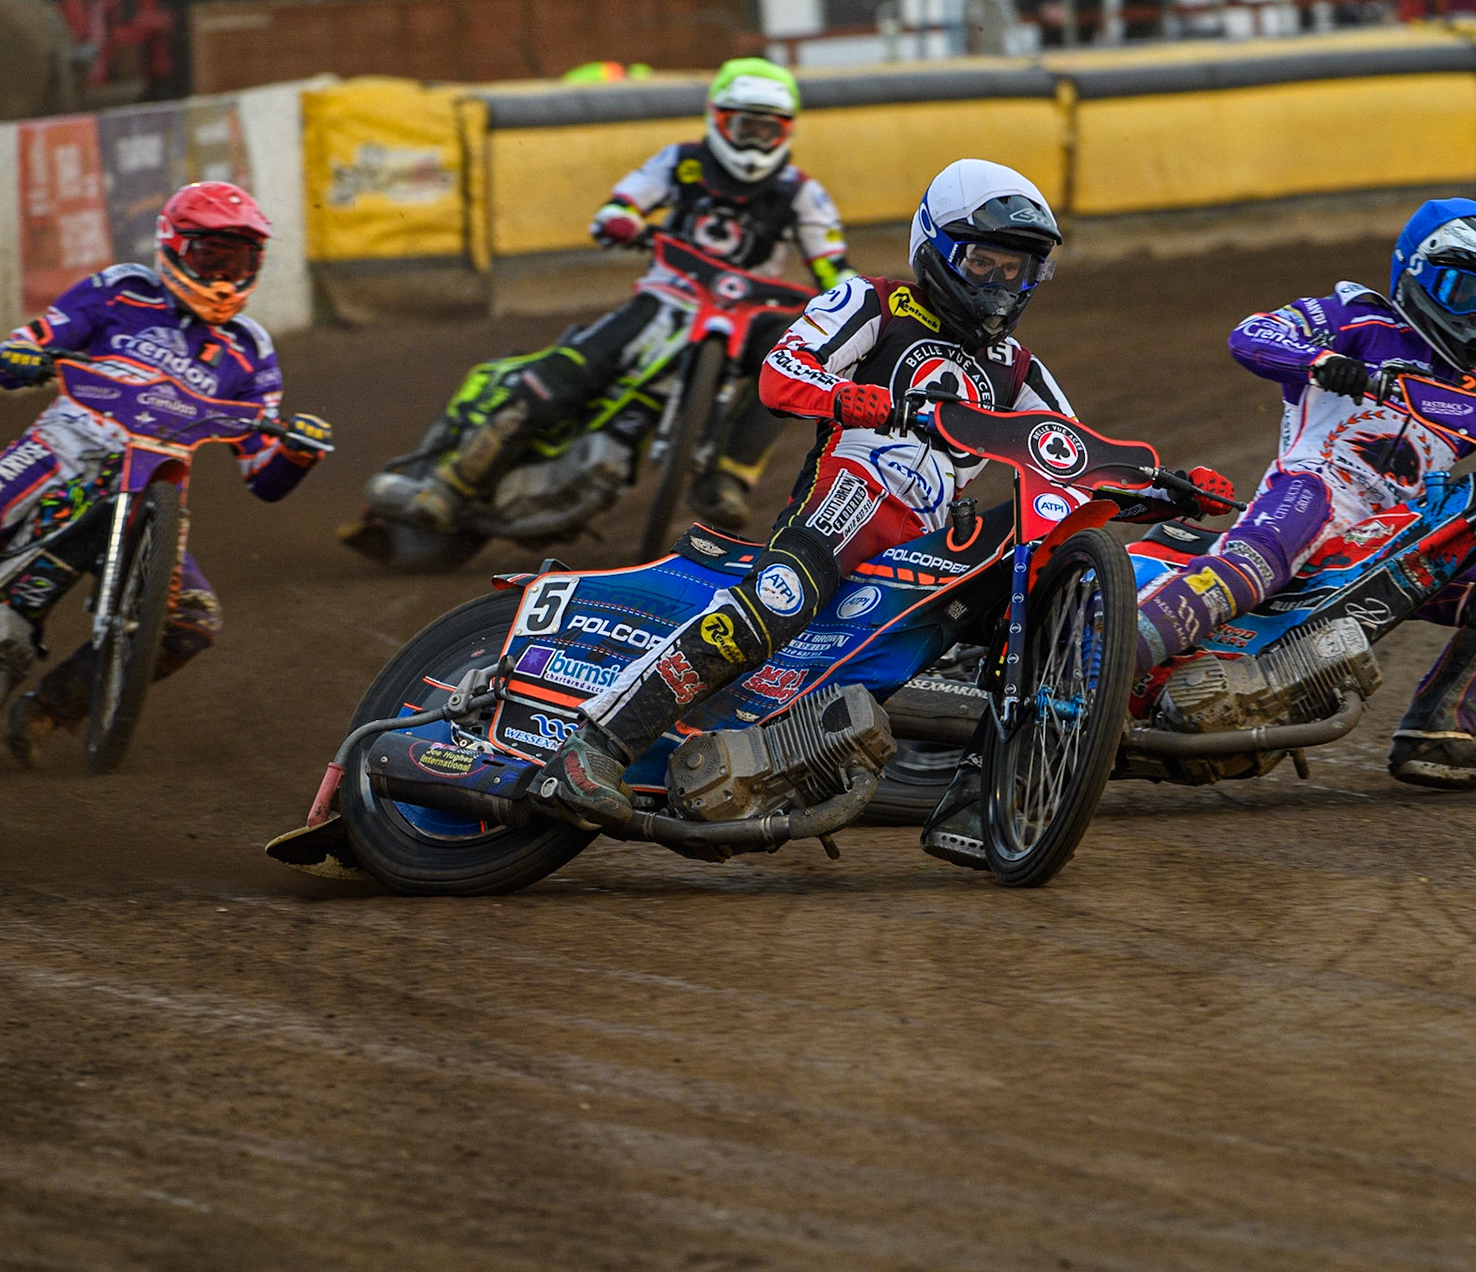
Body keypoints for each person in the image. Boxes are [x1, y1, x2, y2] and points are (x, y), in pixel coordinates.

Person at [528, 158, 1236, 839]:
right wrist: (845, 397)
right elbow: (780, 372)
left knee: (1031, 595)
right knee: (778, 599)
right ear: (937, 248)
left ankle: (982, 794)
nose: (997, 283)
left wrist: (1168, 491)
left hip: (928, 544)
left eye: (1014, 269)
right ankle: (593, 747)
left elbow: (1074, 459)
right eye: (982, 262)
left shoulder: (1017, 367)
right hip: (845, 501)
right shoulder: (872, 301)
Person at [1133, 197, 1476, 788]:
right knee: (1274, 543)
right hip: (1317, 488)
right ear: (1417, 274)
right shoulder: (1359, 320)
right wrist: (1323, 363)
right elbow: (1252, 334)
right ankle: (1113, 658)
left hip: (1393, 536)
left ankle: (1444, 733)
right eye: (1467, 292)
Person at [0, 181, 333, 762]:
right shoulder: (121, 290)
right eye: (212, 257)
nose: (225, 275)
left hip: (150, 487)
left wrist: (299, 450)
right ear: (175, 247)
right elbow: (29, 345)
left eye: (240, 261)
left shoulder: (250, 349)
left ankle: (52, 707)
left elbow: (263, 474)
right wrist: (23, 354)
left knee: (192, 620)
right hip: (58, 451)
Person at [356, 56, 856, 542]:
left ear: (786, 132)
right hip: (668, 297)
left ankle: (729, 475)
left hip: (749, 315)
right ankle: (452, 484)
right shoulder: (680, 161)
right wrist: (620, 217)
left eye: (767, 131)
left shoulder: (802, 192)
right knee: (571, 368)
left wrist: (849, 297)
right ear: (718, 119)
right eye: (745, 127)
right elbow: (628, 199)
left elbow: (832, 262)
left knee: (790, 362)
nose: (754, 142)